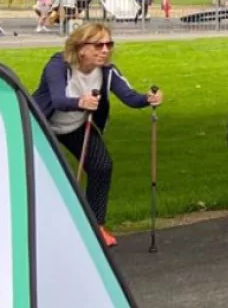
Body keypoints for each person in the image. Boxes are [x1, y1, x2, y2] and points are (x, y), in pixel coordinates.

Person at [32, 24, 162, 246]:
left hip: (76, 126)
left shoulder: (107, 71)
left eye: (108, 44)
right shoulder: (58, 65)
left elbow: (129, 97)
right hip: (43, 126)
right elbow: (58, 100)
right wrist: (81, 101)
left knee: (101, 166)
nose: (105, 50)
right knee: (52, 175)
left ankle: (96, 227)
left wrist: (148, 98)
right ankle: (42, 229)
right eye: (98, 45)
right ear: (81, 48)